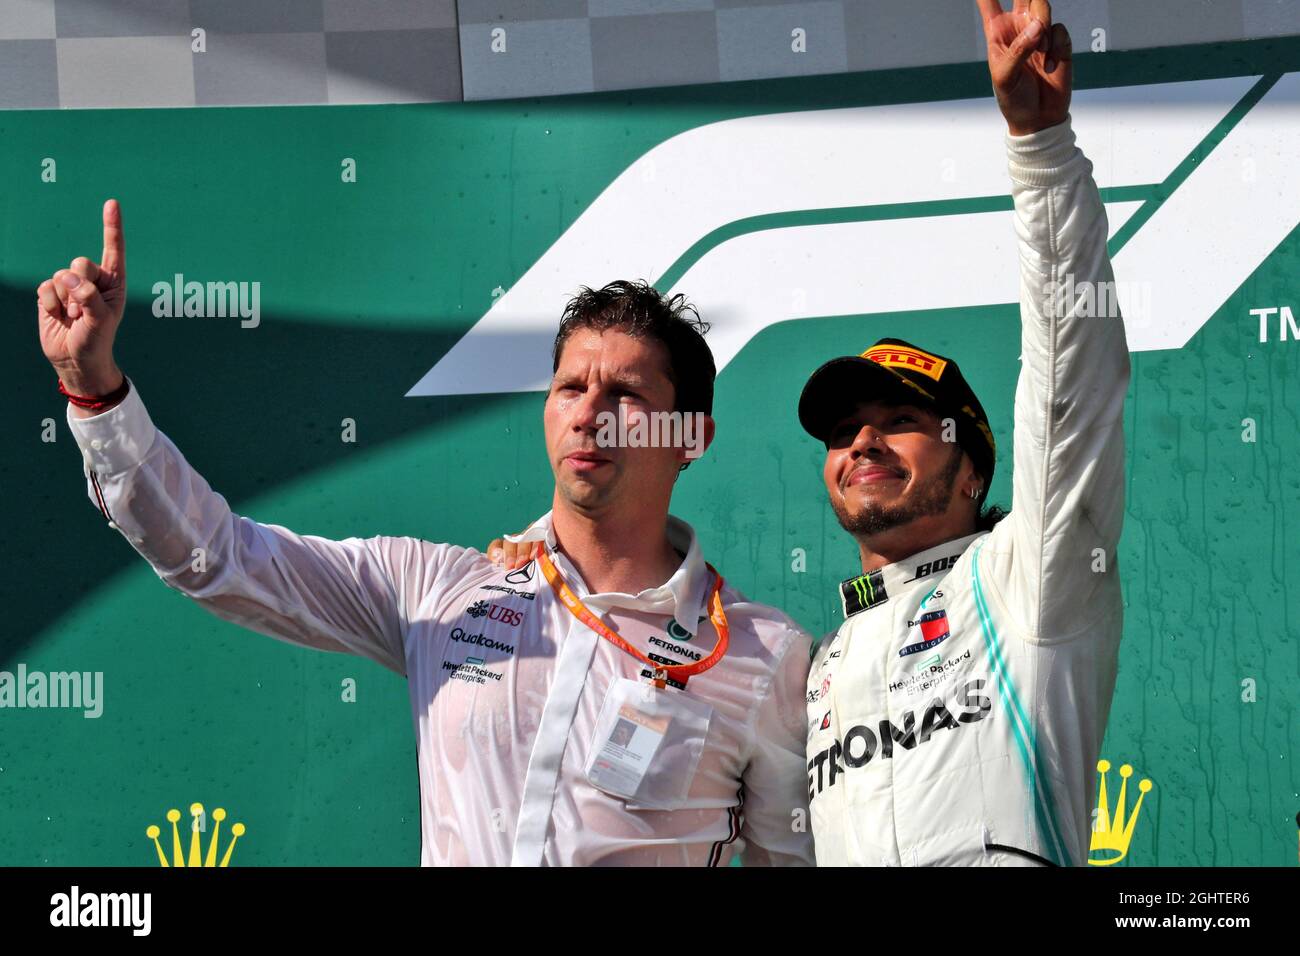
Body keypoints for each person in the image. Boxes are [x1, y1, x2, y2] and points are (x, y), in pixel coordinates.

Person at [38, 229, 815, 865]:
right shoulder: (438, 588)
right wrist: (94, 390)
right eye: (571, 388)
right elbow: (215, 556)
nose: (589, 414)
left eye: (626, 394)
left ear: (690, 437)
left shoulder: (762, 655)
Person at [796, 0, 1129, 865]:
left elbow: (1070, 382)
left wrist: (1041, 149)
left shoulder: (1026, 580)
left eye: (901, 421)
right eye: (844, 431)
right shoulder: (815, 666)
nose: (863, 444)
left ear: (974, 469)